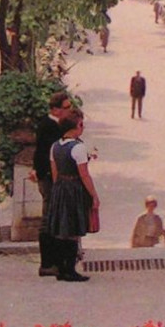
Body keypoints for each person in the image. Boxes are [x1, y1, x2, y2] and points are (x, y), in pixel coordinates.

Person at [43, 110, 99, 281]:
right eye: (81, 124)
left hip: (60, 187)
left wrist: (58, 189)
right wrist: (94, 195)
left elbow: (54, 172)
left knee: (61, 229)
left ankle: (61, 268)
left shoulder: (55, 146)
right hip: (73, 187)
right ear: (76, 127)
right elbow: (84, 174)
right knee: (73, 229)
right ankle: (70, 269)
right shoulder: (78, 147)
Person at [32, 91, 74, 277]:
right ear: (55, 110)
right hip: (50, 178)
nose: (69, 110)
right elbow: (46, 155)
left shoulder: (56, 125)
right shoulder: (48, 126)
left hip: (51, 176)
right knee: (49, 218)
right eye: (66, 107)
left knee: (53, 218)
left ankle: (55, 260)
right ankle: (47, 262)